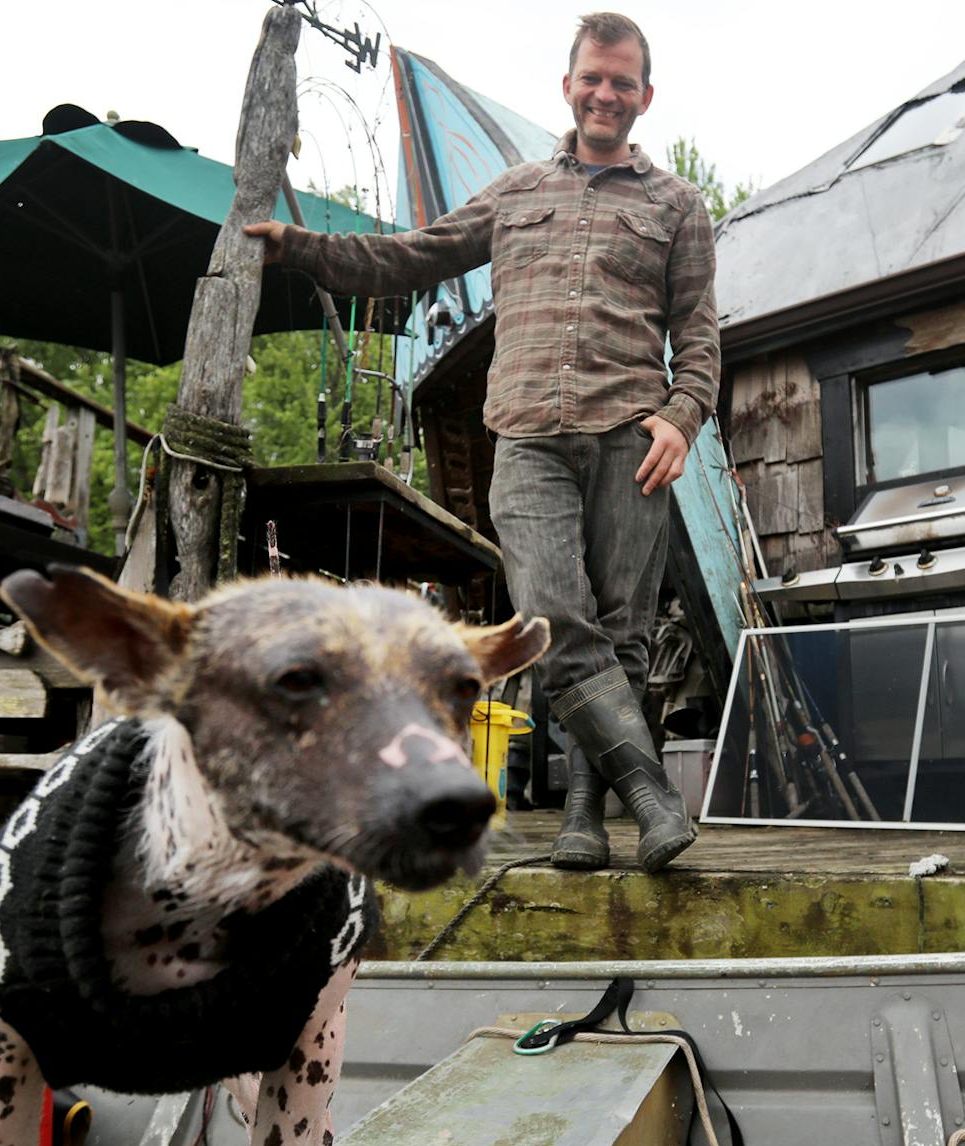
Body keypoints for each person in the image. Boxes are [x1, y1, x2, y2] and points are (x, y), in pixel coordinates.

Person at [245, 12, 719, 873]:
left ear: (645, 96)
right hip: (528, 435)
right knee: (549, 618)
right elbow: (409, 257)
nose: (606, 93)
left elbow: (699, 333)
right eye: (593, 77)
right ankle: (650, 793)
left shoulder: (679, 205)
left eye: (623, 81)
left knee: (625, 635)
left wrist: (682, 417)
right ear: (568, 86)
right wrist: (301, 248)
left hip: (630, 437)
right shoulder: (517, 192)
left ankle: (584, 813)